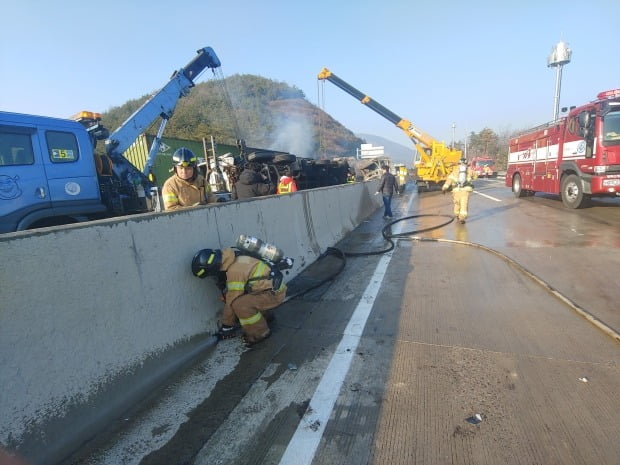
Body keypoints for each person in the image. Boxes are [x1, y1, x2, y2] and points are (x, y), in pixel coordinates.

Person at [191, 247, 288, 346]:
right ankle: (267, 317)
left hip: (273, 295)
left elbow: (231, 301)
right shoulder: (233, 256)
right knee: (245, 297)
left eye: (211, 274)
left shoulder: (234, 272)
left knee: (240, 305)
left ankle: (260, 333)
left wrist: (226, 326)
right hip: (273, 289)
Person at [441, 157, 477, 224]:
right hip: (465, 191)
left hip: (456, 191)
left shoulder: (455, 171)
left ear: (459, 164)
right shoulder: (469, 170)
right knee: (464, 204)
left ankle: (457, 215)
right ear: (466, 163)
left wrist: (444, 188)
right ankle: (462, 218)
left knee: (457, 204)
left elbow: (449, 180)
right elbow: (475, 177)